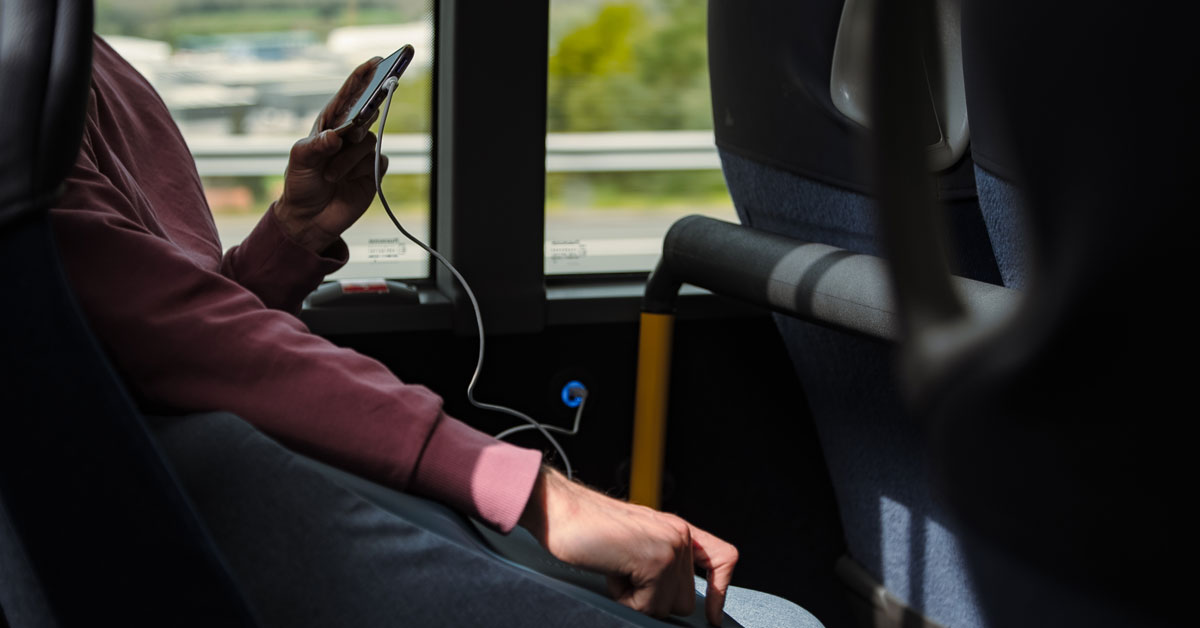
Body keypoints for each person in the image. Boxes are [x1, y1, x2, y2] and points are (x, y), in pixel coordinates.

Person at [51, 35, 820, 627]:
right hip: (194, 491)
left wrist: (290, 238)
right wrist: (537, 495)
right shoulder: (25, 64)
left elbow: (145, 328)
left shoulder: (83, 52)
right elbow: (170, 335)